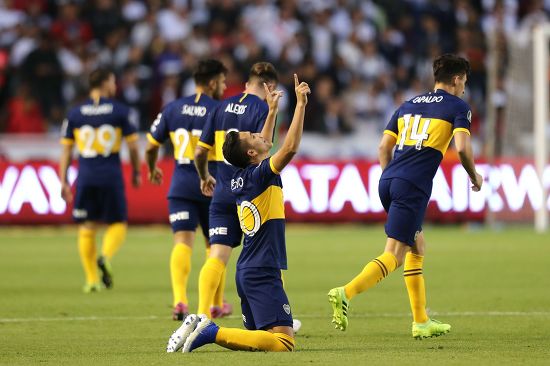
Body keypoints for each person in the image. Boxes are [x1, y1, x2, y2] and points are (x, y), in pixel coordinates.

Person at [328, 54, 484, 339]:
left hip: (388, 180)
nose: (464, 87)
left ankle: (421, 320)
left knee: (417, 246)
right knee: (394, 254)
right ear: (457, 78)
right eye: (464, 81)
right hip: (412, 186)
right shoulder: (458, 106)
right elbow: (461, 148)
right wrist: (474, 176)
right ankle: (345, 292)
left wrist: (392, 178)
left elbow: (383, 148)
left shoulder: (408, 104)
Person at [166, 74, 310, 353]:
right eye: (254, 136)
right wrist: (301, 105)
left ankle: (206, 325)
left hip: (247, 269)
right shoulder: (260, 175)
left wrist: (271, 112)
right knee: (284, 342)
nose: (260, 134)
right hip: (262, 270)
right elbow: (290, 147)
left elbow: (263, 144)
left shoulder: (241, 177)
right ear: (253, 154)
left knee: (259, 338)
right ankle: (210, 331)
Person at [144, 59, 230, 321]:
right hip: (212, 183)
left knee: (182, 242)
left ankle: (180, 301)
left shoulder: (173, 108)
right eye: (223, 82)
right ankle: (216, 304)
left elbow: (150, 146)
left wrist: (151, 168)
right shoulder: (220, 109)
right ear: (213, 82)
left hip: (180, 183)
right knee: (215, 245)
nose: (225, 87)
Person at [193, 62, 279, 319]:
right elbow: (266, 146)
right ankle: (275, 315)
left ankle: (198, 317)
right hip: (251, 195)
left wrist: (205, 176)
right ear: (269, 87)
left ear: (246, 84)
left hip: (222, 194)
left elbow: (200, 151)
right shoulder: (262, 107)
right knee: (267, 259)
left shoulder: (220, 106)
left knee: (217, 256)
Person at [59, 68, 141, 293]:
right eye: (113, 81)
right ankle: (105, 256)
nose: (115, 86)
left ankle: (91, 280)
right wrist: (136, 171)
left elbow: (66, 151)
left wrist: (64, 181)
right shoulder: (119, 111)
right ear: (105, 83)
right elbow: (133, 146)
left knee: (87, 227)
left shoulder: (75, 113)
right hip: (110, 174)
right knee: (118, 223)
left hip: (85, 175)